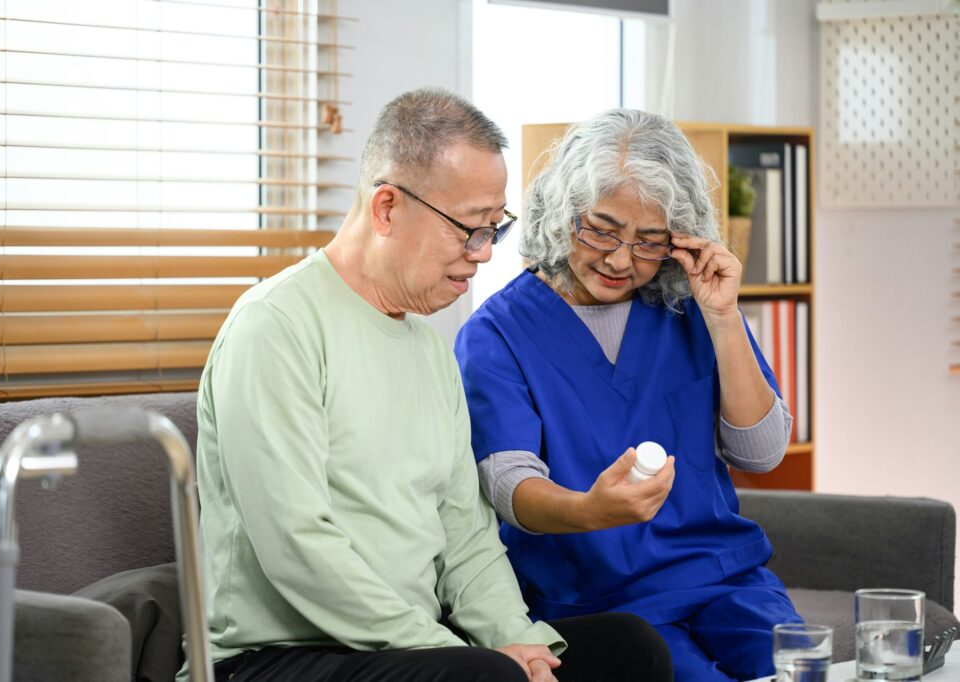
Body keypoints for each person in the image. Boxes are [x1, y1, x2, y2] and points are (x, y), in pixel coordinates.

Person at [184, 90, 673, 682]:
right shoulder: (275, 326)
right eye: (469, 230)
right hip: (274, 657)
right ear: (387, 207)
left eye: (495, 229)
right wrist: (464, 654)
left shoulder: (431, 352)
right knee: (484, 678)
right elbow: (298, 550)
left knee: (631, 648)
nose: (485, 253)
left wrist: (520, 645)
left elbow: (466, 536)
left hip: (408, 646)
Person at [454, 108, 803, 681]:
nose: (620, 259)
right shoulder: (497, 334)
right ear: (564, 213)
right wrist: (589, 511)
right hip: (598, 598)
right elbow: (506, 484)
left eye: (649, 241)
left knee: (796, 668)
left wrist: (723, 317)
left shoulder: (691, 308)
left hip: (726, 579)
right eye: (602, 229)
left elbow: (761, 453)